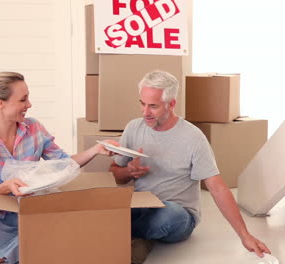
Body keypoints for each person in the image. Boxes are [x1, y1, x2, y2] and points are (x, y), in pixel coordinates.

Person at [0, 72, 116, 264]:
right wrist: (5, 188)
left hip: (35, 212)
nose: (29, 105)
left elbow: (64, 164)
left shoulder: (34, 128)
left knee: (83, 220)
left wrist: (95, 150)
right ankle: (36, 244)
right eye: (23, 99)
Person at [110, 70, 271, 263]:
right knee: (108, 208)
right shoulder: (133, 128)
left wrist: (245, 235)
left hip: (178, 212)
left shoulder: (193, 138)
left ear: (171, 104)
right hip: (141, 206)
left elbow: (217, 187)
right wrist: (128, 171)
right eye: (142, 104)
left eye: (153, 106)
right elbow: (116, 174)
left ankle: (123, 232)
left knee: (169, 216)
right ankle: (139, 236)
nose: (145, 113)